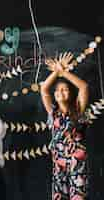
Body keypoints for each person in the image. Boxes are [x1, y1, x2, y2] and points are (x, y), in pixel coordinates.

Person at [40, 52, 89, 200]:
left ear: (71, 93)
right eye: (58, 90)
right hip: (59, 163)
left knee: (78, 197)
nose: (60, 92)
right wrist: (56, 71)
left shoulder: (78, 109)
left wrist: (63, 72)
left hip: (77, 161)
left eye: (65, 89)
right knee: (59, 197)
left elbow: (84, 87)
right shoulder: (52, 112)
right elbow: (44, 89)